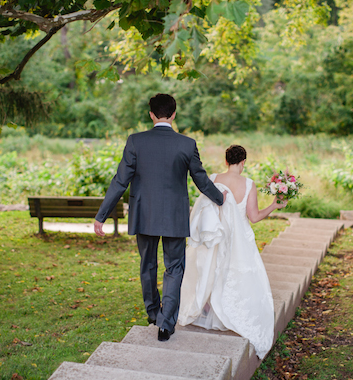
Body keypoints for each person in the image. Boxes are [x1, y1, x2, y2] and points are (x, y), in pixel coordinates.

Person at [93, 93, 226, 342]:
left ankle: (154, 312)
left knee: (148, 264)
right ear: (174, 114)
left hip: (144, 214)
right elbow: (201, 180)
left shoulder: (135, 142)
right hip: (175, 215)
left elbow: (120, 181)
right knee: (175, 267)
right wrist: (220, 198)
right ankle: (166, 325)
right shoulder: (187, 144)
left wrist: (102, 215)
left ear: (151, 114)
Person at [178, 145, 288, 359]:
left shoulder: (213, 178)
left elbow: (201, 208)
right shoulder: (249, 185)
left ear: (226, 161)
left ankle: (208, 309)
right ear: (243, 162)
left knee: (210, 269)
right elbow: (254, 217)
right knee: (235, 272)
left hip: (215, 236)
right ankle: (227, 311)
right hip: (238, 239)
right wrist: (274, 205)